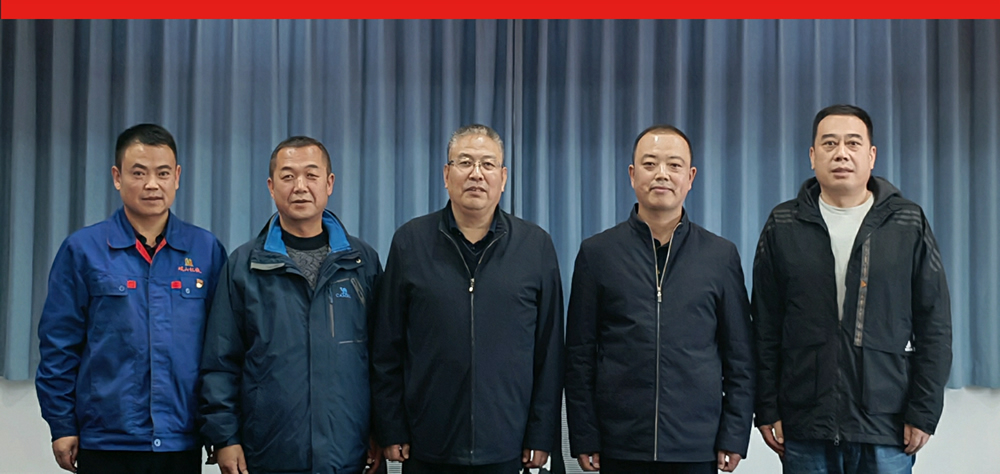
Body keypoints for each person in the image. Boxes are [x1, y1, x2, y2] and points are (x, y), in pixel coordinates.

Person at [753, 104, 952, 474]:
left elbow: (934, 325)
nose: (841, 153)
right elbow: (764, 326)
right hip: (806, 422)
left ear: (871, 155)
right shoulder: (784, 223)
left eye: (853, 143)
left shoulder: (907, 222)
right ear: (812, 156)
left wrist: (924, 411)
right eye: (829, 143)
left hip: (886, 426)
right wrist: (766, 407)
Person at [372, 124, 564, 474]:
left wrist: (542, 433)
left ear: (503, 178)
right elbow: (387, 346)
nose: (476, 174)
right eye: (465, 162)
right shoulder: (410, 242)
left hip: (507, 444)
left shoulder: (535, 246)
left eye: (488, 164)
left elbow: (549, 351)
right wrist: (391, 426)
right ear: (447, 175)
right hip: (428, 443)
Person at [36, 123, 227, 474]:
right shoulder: (83, 250)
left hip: (181, 439)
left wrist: (221, 428)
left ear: (177, 177)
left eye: (163, 173)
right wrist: (61, 424)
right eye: (139, 173)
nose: (152, 184)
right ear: (117, 177)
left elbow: (222, 350)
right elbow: (59, 344)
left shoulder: (206, 250)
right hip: (106, 440)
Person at [565, 124, 754, 474]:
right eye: (650, 164)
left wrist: (734, 433)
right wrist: (584, 434)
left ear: (690, 177)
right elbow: (579, 354)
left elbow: (740, 355)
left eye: (674, 165)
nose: (662, 174)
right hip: (620, 443)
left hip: (696, 445)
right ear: (632, 174)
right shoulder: (598, 253)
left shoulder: (720, 256)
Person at [199, 136, 382, 474]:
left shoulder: (361, 263)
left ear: (329, 183)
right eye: (288, 176)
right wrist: (225, 438)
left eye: (311, 175)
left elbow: (381, 358)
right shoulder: (244, 266)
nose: (300, 187)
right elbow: (221, 362)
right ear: (271, 187)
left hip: (348, 453)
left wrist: (381, 430)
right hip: (268, 453)